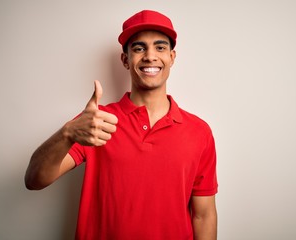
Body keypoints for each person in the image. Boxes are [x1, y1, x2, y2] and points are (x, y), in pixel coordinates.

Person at [25, 10, 218, 240]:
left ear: (172, 57)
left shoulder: (199, 132)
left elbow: (203, 216)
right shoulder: (96, 122)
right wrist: (67, 133)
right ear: (125, 60)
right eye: (138, 48)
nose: (150, 56)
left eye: (160, 47)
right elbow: (34, 180)